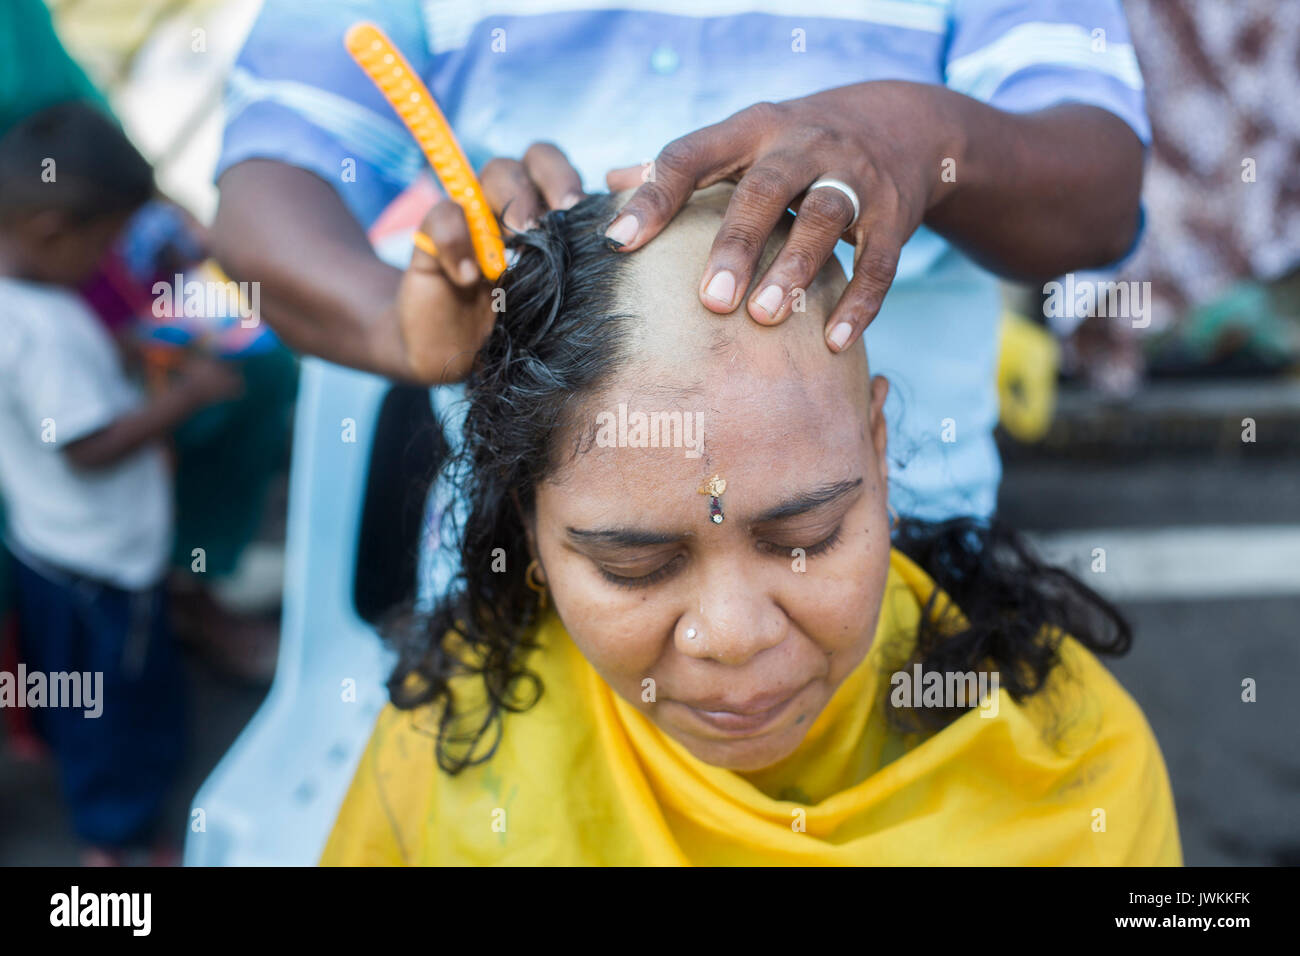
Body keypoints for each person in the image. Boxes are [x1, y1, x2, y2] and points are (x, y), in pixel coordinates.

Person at [319, 186, 1181, 865]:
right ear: (528, 522)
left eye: (804, 540)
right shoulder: (461, 738)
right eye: (635, 566)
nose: (730, 638)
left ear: (880, 458)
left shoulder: (1070, 761)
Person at [0, 103, 241, 865]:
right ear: (49, 233)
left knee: (81, 691)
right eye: (105, 243)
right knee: (114, 708)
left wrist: (124, 347)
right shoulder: (39, 333)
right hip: (101, 563)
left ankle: (102, 799)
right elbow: (89, 447)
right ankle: (115, 846)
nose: (109, 263)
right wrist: (189, 396)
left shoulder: (24, 300)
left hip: (50, 549)